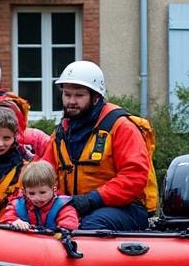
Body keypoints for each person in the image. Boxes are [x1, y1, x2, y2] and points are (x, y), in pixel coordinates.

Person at [39, 60, 157, 231]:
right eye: (67, 94)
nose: (71, 101)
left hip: (125, 208)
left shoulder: (121, 127)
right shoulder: (60, 134)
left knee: (91, 225)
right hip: (75, 208)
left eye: (79, 95)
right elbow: (43, 175)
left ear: (95, 97)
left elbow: (134, 177)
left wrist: (92, 199)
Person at [0, 160, 81, 232]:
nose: (37, 198)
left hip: (50, 246)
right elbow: (5, 217)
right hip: (23, 246)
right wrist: (15, 221)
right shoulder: (17, 205)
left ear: (53, 188)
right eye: (31, 193)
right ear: (24, 191)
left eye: (42, 192)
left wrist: (60, 231)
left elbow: (70, 223)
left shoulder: (63, 207)